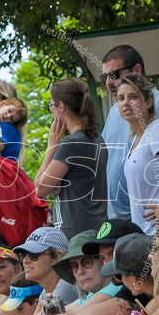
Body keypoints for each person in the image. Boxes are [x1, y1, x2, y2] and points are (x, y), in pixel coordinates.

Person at [99, 45, 159, 221]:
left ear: (137, 70)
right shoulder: (115, 112)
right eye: (105, 77)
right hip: (119, 217)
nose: (109, 82)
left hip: (153, 219)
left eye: (114, 75)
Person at [35, 78, 108, 239]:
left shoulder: (71, 143)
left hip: (77, 233)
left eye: (51, 105)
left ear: (61, 106)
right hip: (95, 226)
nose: (52, 111)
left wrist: (51, 146)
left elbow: (40, 188)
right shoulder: (96, 138)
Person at [115, 73, 159, 235]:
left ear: (148, 102)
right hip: (142, 233)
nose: (126, 103)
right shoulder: (136, 138)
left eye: (133, 97)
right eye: (121, 98)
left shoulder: (155, 131)